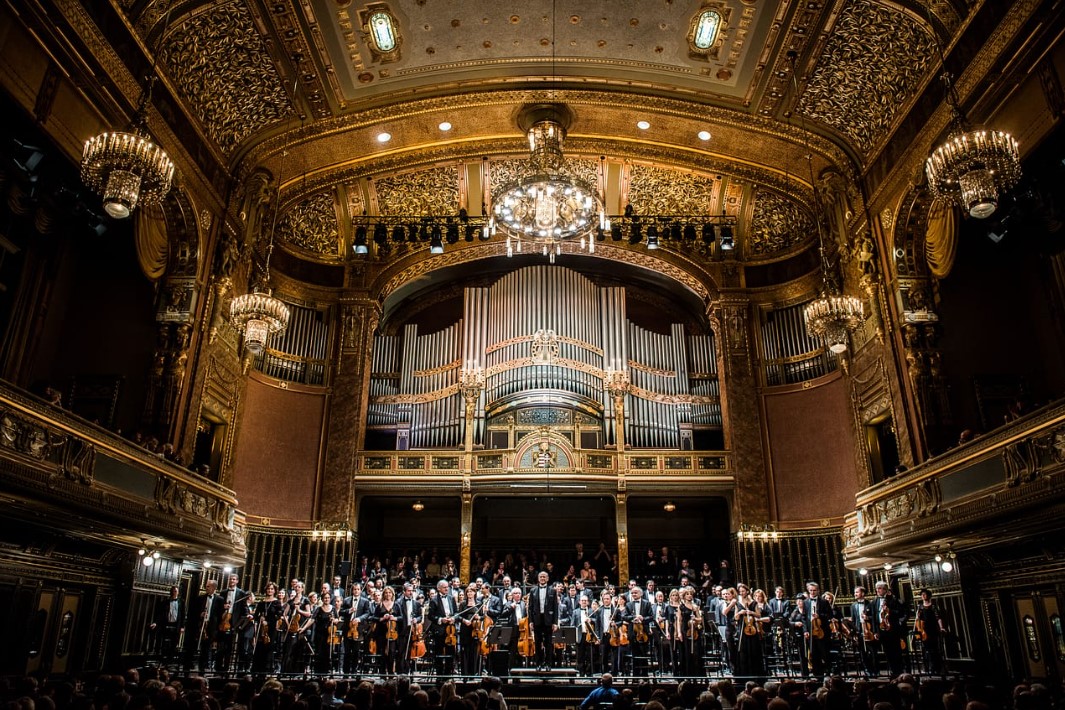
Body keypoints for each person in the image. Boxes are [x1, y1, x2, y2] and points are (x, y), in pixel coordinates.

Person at [872, 580, 906, 677]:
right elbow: (874, 618)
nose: (878, 590)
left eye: (880, 588)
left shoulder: (893, 600)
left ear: (885, 590)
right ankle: (892, 671)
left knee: (896, 652)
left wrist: (889, 610)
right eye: (877, 588)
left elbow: (900, 613)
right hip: (881, 630)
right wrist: (875, 631)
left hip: (893, 630)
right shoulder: (874, 601)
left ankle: (899, 671)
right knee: (887, 653)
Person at [527, 570, 559, 670]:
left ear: (548, 578)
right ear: (538, 578)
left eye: (544, 577)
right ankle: (538, 664)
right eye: (541, 577)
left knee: (549, 643)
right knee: (537, 643)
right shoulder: (533, 590)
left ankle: (548, 664)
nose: (542, 578)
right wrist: (530, 621)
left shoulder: (553, 591)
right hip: (537, 619)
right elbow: (530, 607)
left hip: (548, 620)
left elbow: (555, 608)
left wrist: (555, 622)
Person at [428, 578, 459, 674]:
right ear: (439, 588)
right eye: (444, 587)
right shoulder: (434, 600)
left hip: (451, 630)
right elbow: (430, 616)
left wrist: (454, 618)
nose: (447, 589)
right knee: (439, 652)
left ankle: (448, 673)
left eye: (447, 587)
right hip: (440, 630)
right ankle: (440, 674)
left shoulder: (451, 598)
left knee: (451, 652)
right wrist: (441, 619)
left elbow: (456, 613)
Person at [193, 579, 224, 673]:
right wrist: (200, 614)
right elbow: (194, 611)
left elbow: (219, 614)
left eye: (208, 586)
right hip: (201, 624)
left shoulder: (220, 599)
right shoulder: (200, 598)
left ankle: (206, 665)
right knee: (201, 646)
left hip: (212, 626)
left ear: (214, 588)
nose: (206, 588)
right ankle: (200, 666)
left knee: (208, 646)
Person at [914, 588, 947, 676]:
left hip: (932, 629)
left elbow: (938, 617)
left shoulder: (933, 606)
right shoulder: (920, 607)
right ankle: (927, 668)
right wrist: (917, 628)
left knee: (935, 649)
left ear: (928, 595)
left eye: (924, 594)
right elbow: (918, 619)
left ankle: (936, 668)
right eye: (922, 594)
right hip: (923, 630)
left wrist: (941, 627)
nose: (923, 596)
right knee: (926, 649)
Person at [150, 585, 184, 666]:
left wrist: (182, 627)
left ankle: (170, 661)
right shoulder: (165, 602)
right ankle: (162, 660)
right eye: (173, 591)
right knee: (164, 643)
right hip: (166, 624)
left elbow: (183, 615)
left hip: (176, 625)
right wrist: (155, 622)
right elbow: (160, 614)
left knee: (173, 643)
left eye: (176, 591)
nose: (175, 593)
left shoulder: (181, 602)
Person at [625, 584, 653, 677]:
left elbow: (651, 617)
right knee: (634, 655)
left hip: (644, 633)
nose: (633, 594)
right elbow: (624, 616)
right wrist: (633, 617)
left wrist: (642, 618)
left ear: (640, 594)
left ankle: (645, 676)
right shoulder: (628, 604)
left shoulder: (647, 603)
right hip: (633, 633)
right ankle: (635, 676)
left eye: (635, 593)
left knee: (644, 654)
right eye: (632, 593)